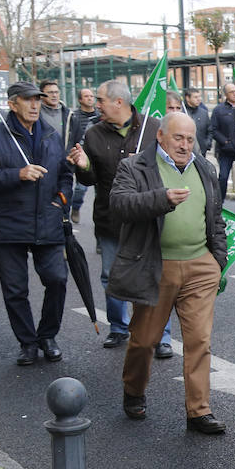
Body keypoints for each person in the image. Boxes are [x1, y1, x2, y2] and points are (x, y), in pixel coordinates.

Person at [108, 112, 228, 433]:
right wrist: (160, 199)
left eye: (190, 139)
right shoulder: (134, 166)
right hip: (155, 265)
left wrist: (217, 260)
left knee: (199, 340)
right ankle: (133, 390)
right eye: (178, 138)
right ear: (160, 136)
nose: (185, 145)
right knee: (144, 341)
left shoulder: (205, 167)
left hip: (200, 265)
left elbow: (215, 216)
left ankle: (198, 411)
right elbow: (119, 205)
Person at [0, 81, 72, 365]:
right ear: (12, 104)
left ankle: (48, 335)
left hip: (47, 221)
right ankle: (27, 342)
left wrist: (62, 198)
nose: (35, 105)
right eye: (28, 100)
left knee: (57, 279)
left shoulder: (51, 134)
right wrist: (18, 174)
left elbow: (64, 173)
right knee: (15, 289)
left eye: (37, 100)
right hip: (8, 224)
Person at [67, 80, 171, 357]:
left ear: (118, 102)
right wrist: (83, 165)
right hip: (111, 219)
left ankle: (161, 335)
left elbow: (174, 167)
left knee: (155, 277)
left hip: (150, 218)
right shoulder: (94, 134)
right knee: (111, 275)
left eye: (100, 100)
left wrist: (147, 165)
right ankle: (118, 327)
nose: (95, 105)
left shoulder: (153, 128)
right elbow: (89, 179)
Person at [211, 83, 235, 204]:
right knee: (223, 177)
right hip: (226, 150)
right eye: (232, 92)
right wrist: (225, 141)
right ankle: (219, 204)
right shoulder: (218, 110)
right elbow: (213, 129)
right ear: (226, 95)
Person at [67, 88, 99, 222]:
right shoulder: (74, 116)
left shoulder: (99, 116)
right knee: (80, 188)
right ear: (80, 100)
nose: (90, 98)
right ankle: (75, 207)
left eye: (92, 96)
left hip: (97, 155)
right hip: (81, 156)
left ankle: (99, 216)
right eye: (86, 96)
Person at [180, 88, 213, 157]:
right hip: (184, 152)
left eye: (199, 96)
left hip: (201, 152)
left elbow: (210, 130)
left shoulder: (203, 113)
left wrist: (207, 143)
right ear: (187, 98)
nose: (199, 99)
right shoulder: (181, 113)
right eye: (195, 97)